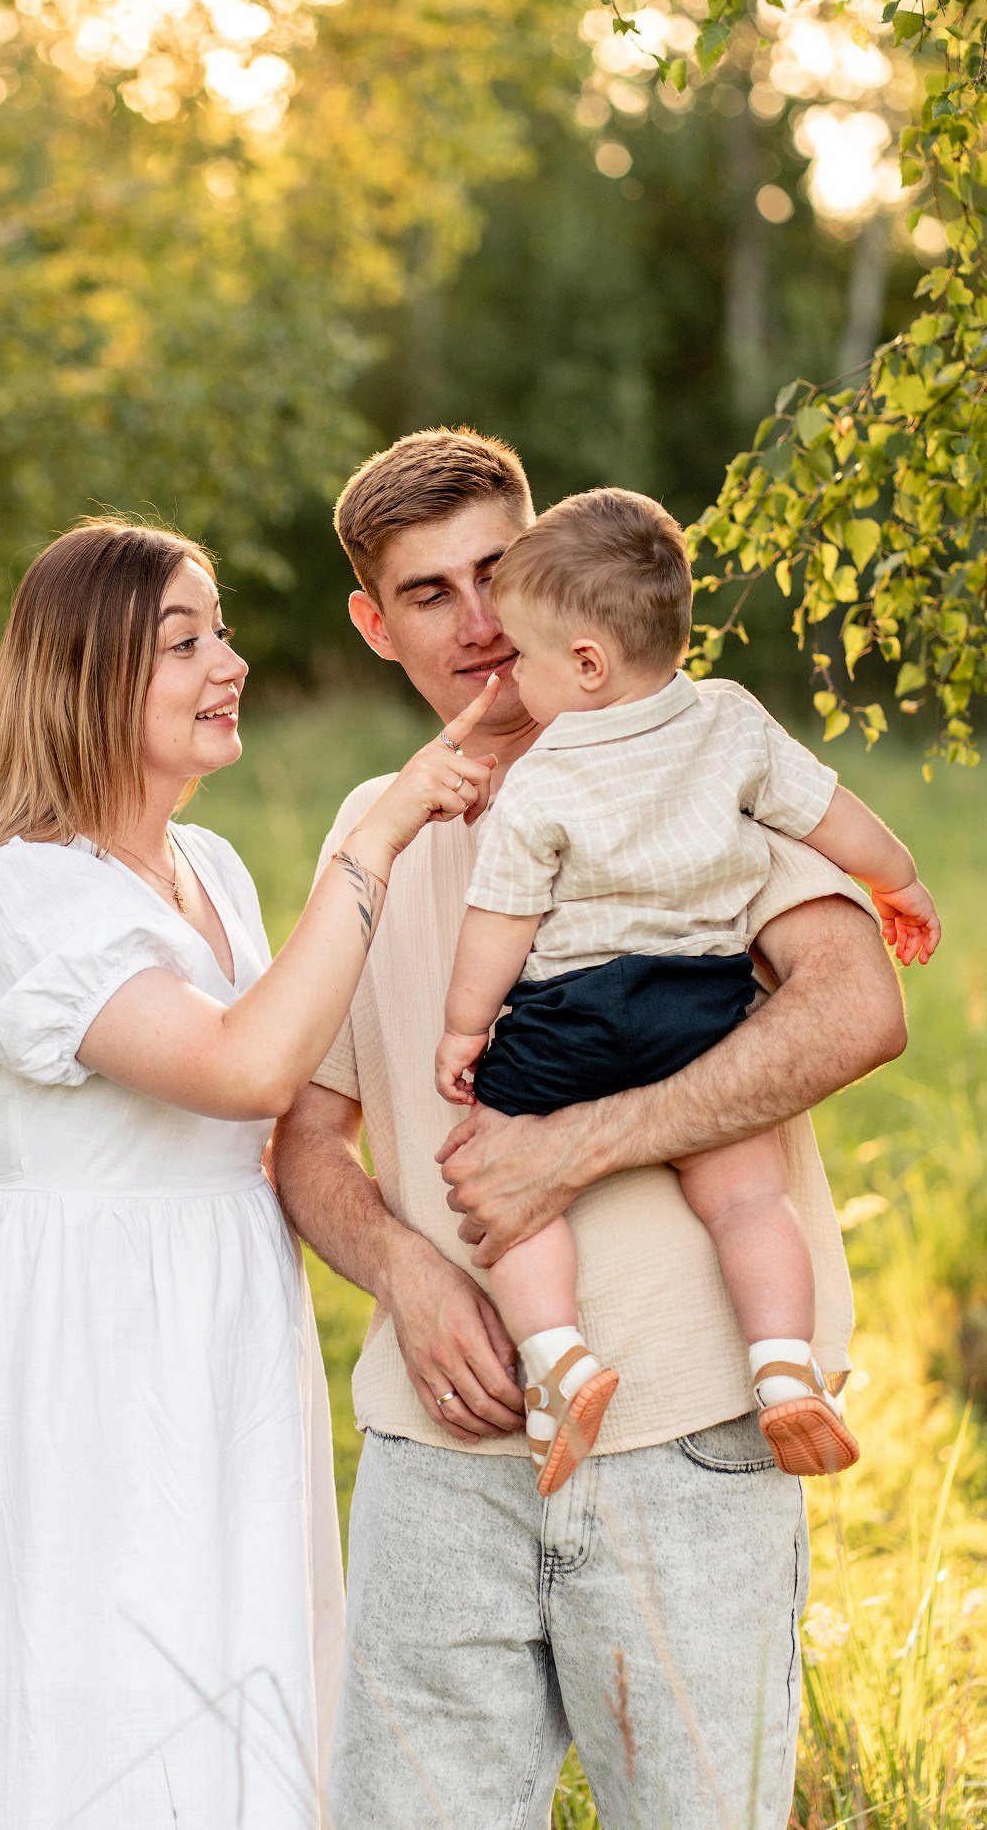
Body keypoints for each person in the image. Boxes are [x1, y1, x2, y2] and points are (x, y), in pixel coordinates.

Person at [271, 429, 909, 1829]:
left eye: (498, 569)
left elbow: (857, 1008)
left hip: (689, 1433)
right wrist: (410, 1274)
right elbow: (307, 1139)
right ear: (375, 626)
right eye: (429, 593)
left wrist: (580, 1141)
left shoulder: (690, 757)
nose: (482, 620)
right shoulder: (366, 831)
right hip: (442, 1453)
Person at [0, 517, 498, 1830]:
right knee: (107, 1665)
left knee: (238, 1650)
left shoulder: (213, 872)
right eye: (186, 642)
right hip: (97, 1333)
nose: (227, 662)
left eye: (220, 630)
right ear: (89, 677)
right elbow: (245, 1068)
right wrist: (378, 834)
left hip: (224, 1316)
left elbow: (293, 1070)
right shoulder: (18, 896)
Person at [434, 486, 940, 1497]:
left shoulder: (541, 777)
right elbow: (830, 813)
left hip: (563, 1016)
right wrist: (897, 881)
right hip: (697, 1006)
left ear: (583, 663)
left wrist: (462, 1028)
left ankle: (559, 1364)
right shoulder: (728, 722)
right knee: (749, 1197)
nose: (508, 669)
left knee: (508, 1191)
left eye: (525, 657)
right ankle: (783, 1369)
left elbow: (500, 919)